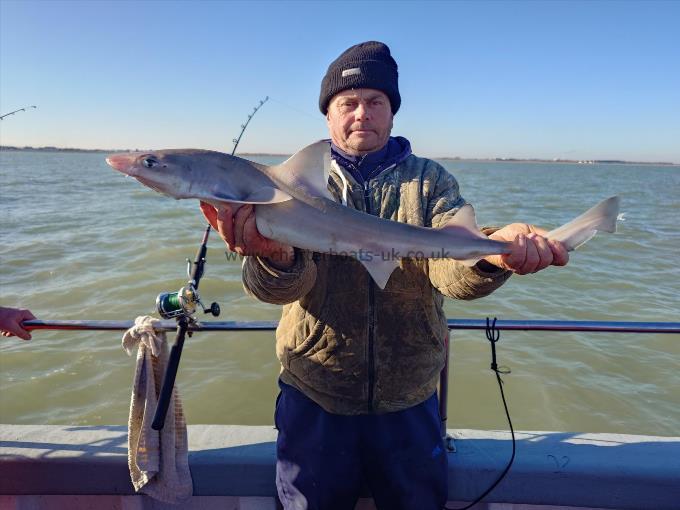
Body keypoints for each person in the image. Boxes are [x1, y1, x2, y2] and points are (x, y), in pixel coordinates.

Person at [201, 41, 568, 510]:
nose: (361, 113)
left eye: (375, 102)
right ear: (328, 116)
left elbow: (447, 273)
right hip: (315, 392)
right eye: (347, 103)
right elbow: (275, 291)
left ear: (392, 113)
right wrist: (274, 256)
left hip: (409, 399)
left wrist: (492, 255)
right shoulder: (281, 186)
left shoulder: (428, 181)